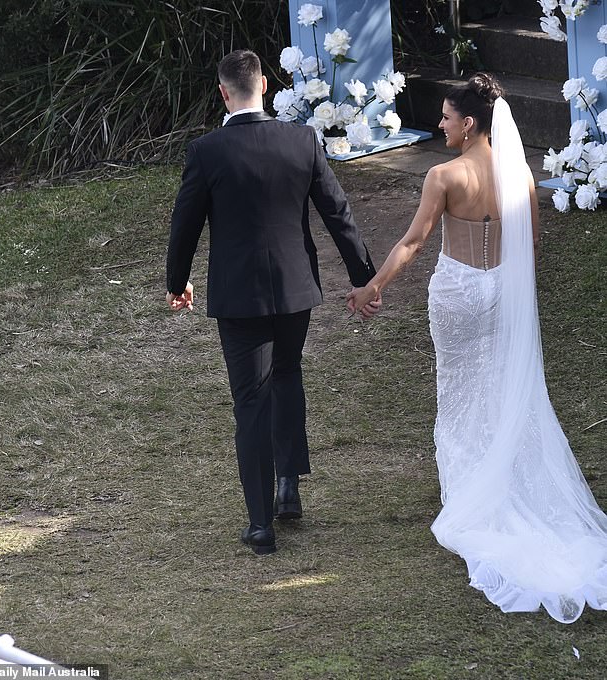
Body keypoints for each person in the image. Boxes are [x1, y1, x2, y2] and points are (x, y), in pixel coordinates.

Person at [347, 73, 607, 623]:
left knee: (460, 388)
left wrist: (375, 286)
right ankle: (501, 478)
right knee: (496, 384)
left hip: (459, 292)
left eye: (445, 117)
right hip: (503, 290)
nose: (439, 123)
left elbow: (415, 242)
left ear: (469, 124)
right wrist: (516, 299)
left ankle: (470, 494)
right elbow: (531, 241)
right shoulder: (518, 170)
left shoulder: (445, 175)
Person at [166, 50, 380, 555]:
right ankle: (288, 488)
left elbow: (185, 224)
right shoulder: (301, 140)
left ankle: (261, 523)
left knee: (250, 401)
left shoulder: (207, 151)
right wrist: (363, 278)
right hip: (294, 289)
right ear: (264, 84)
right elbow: (338, 212)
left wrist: (178, 282)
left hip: (239, 297)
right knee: (286, 374)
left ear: (223, 92)